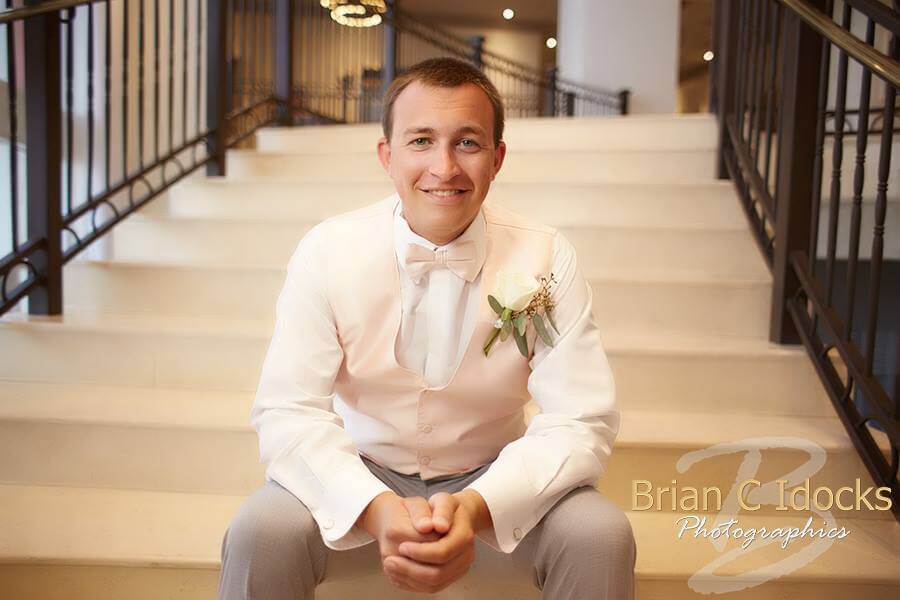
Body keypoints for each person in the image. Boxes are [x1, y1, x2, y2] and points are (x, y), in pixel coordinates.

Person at [218, 56, 636, 599]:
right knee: (259, 532)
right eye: (420, 141)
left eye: (468, 142)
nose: (444, 167)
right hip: (363, 472)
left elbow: (581, 418)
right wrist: (374, 509)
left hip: (493, 477)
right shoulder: (327, 251)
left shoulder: (547, 257)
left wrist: (478, 505)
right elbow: (287, 410)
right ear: (387, 156)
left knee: (601, 536)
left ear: (497, 157)